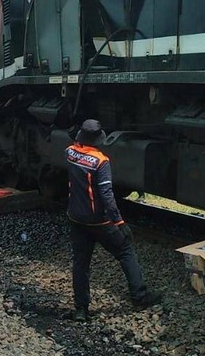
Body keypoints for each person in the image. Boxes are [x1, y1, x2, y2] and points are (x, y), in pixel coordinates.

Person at [65, 119, 161, 322]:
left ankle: (81, 309)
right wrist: (119, 223)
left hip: (75, 218)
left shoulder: (70, 153)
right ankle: (140, 295)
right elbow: (107, 195)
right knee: (125, 251)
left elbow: (72, 143)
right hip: (99, 222)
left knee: (80, 264)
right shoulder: (101, 161)